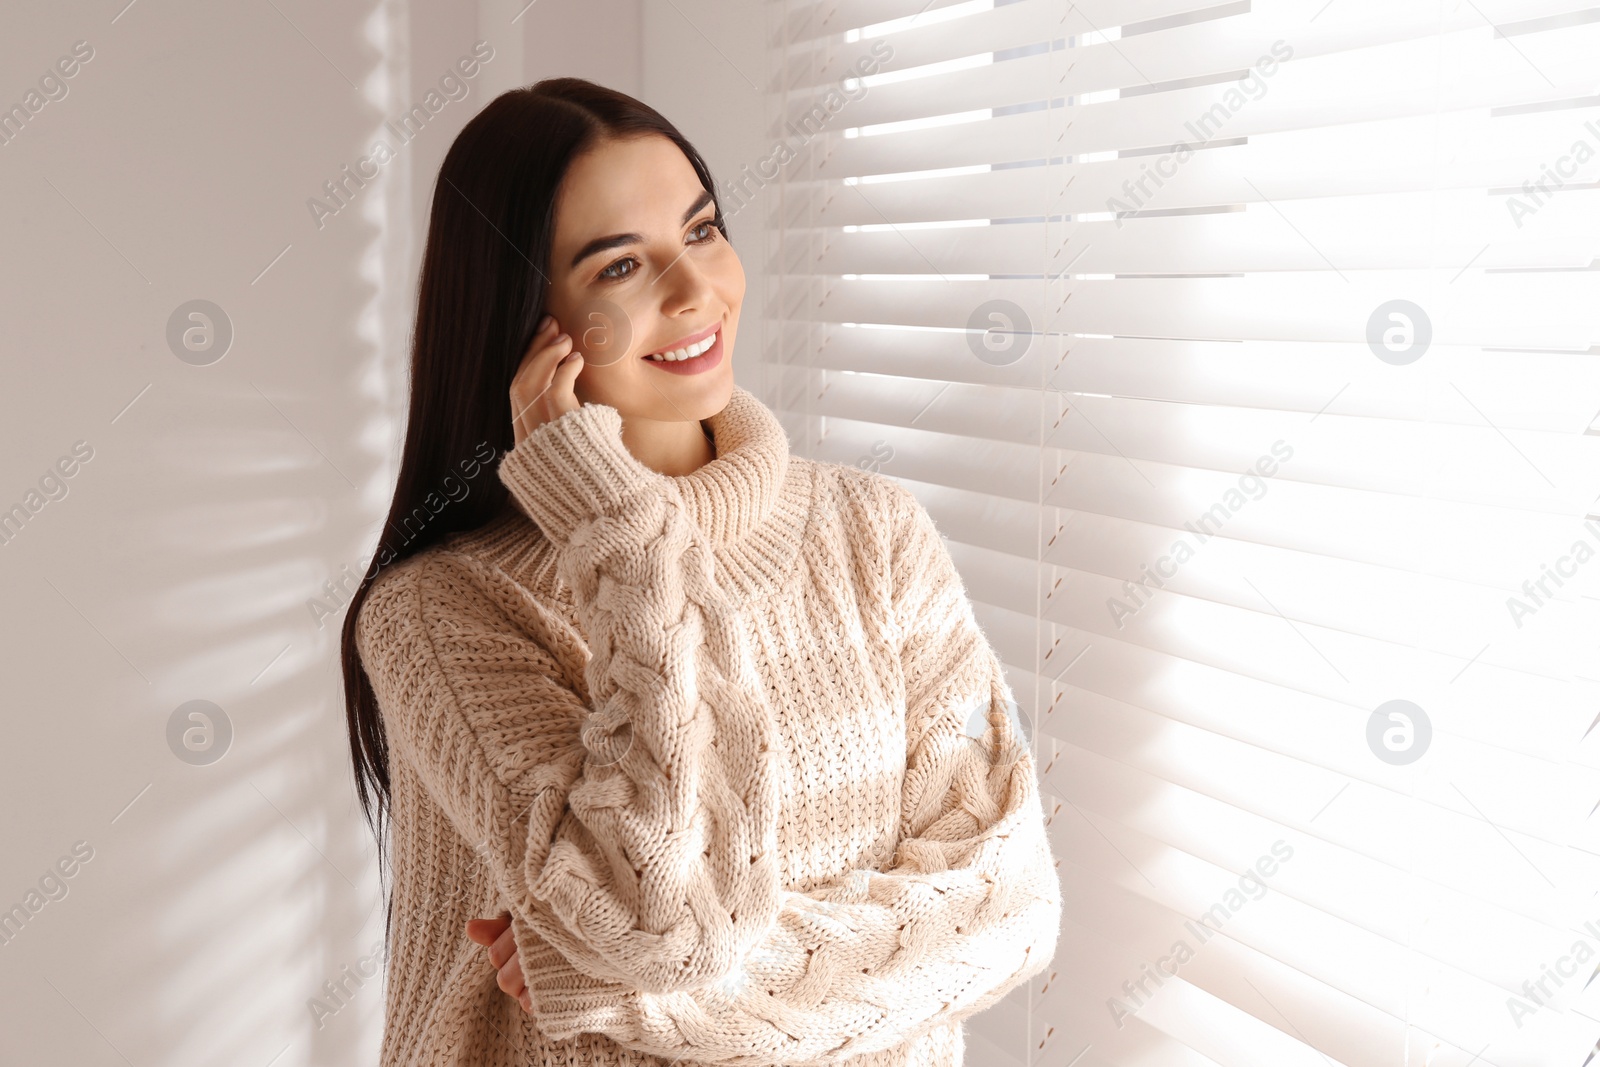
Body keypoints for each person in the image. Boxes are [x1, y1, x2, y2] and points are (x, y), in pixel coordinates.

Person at [341, 76, 1062, 1066]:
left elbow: (1008, 908)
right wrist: (622, 533)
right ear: (524, 318)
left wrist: (622, 995)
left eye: (703, 230)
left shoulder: (875, 534)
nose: (694, 292)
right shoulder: (443, 613)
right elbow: (664, 922)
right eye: (620, 266)